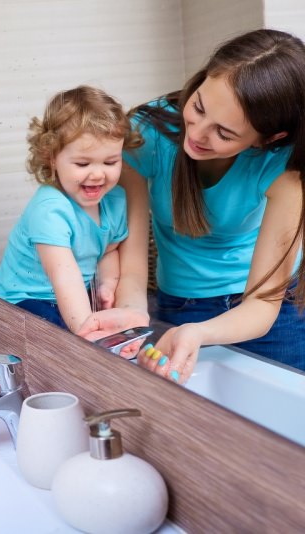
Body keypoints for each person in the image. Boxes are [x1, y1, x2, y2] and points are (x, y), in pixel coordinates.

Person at [79, 29, 305, 383]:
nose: (197, 133)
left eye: (224, 133)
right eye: (198, 107)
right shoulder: (147, 133)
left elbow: (263, 304)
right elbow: (133, 262)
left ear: (269, 139)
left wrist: (200, 333)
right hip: (178, 307)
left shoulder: (285, 167)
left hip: (270, 321)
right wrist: (133, 315)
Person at [0, 85, 142, 346]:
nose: (97, 174)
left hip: (72, 295)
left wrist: (108, 283)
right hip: (24, 301)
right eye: (83, 164)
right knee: (68, 345)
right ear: (52, 159)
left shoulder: (115, 201)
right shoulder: (50, 208)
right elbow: (65, 276)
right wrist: (88, 331)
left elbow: (109, 250)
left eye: (110, 162)